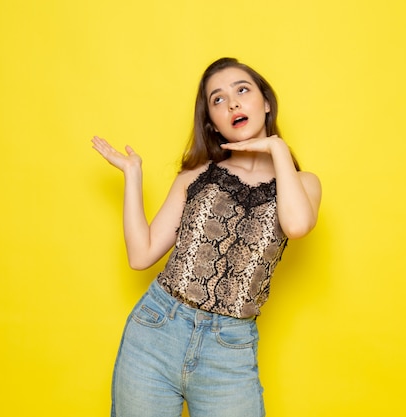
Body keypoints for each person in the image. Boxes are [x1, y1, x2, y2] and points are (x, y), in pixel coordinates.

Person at [91, 57, 322, 417]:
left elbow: (296, 226)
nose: (231, 103)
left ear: (265, 103)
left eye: (242, 90)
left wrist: (277, 149)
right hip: (156, 331)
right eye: (218, 99)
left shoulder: (304, 184)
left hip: (229, 348)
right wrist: (133, 176)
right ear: (212, 124)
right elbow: (141, 255)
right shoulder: (197, 175)